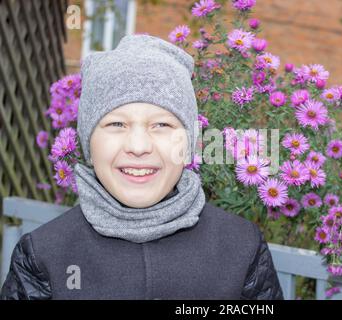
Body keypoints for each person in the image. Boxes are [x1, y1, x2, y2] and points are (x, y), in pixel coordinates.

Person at [0, 34, 283, 300]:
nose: (138, 146)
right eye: (116, 124)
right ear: (88, 142)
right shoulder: (43, 255)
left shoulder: (242, 249)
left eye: (161, 125)